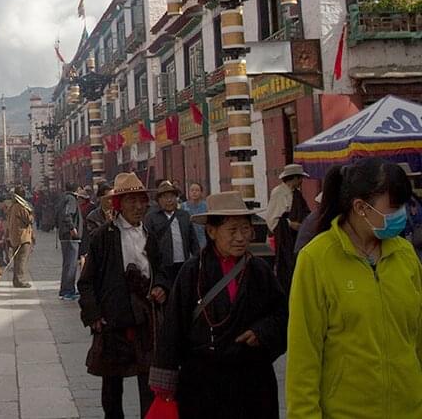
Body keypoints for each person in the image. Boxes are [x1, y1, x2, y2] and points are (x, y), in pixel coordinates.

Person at [287, 159, 421, 418]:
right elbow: (304, 355)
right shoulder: (316, 258)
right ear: (360, 207)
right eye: (394, 208)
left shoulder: (405, 254)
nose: (402, 215)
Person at [149, 192, 288, 418]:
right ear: (212, 232)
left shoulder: (259, 271)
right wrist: (165, 380)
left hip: (252, 380)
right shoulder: (192, 272)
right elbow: (174, 325)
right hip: (203, 383)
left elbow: (282, 314)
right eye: (232, 230)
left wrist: (262, 331)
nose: (241, 237)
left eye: (245, 229)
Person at [78, 172, 167, 419]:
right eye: (131, 201)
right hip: (113, 320)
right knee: (112, 384)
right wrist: (93, 315)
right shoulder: (103, 237)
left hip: (145, 318)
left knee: (148, 379)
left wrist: (161, 286)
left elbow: (162, 270)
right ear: (119, 204)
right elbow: (86, 281)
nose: (138, 207)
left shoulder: (150, 235)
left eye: (141, 201)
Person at [263, 163, 311, 292]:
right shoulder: (278, 193)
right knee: (286, 265)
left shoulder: (297, 194)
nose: (301, 181)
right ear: (294, 178)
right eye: (300, 178)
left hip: (297, 236)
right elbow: (273, 218)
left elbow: (305, 212)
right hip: (285, 237)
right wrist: (289, 224)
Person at [144, 181, 200, 286]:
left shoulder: (184, 215)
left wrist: (198, 260)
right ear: (159, 200)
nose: (169, 200)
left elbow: (193, 241)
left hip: (183, 264)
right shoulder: (151, 217)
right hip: (162, 267)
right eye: (165, 197)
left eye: (172, 196)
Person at [57, 185, 89, 301]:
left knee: (69, 264)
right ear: (77, 189)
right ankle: (67, 291)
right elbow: (67, 214)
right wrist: (72, 228)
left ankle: (67, 289)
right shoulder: (71, 199)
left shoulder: (64, 198)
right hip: (70, 237)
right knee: (70, 264)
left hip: (65, 235)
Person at [1, 190, 35, 288]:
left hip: (14, 236)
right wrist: (31, 214)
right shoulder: (20, 207)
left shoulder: (12, 207)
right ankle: (21, 280)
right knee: (22, 259)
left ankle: (16, 280)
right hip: (22, 236)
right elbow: (29, 219)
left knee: (16, 259)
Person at [181, 182, 208, 248]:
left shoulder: (206, 206)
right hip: (188, 237)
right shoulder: (183, 206)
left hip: (202, 236)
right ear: (189, 192)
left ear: (201, 192)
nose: (194, 192)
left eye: (197, 190)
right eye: (192, 190)